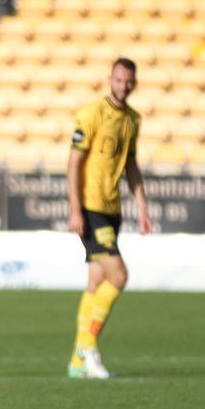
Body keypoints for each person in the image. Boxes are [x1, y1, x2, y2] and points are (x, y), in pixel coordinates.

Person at [64, 58, 152, 379]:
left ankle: (77, 363)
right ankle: (88, 348)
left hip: (113, 210)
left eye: (128, 81)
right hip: (91, 208)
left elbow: (131, 166)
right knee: (119, 275)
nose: (123, 86)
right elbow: (73, 164)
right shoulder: (91, 114)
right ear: (110, 79)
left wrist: (142, 207)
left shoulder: (133, 120)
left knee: (96, 283)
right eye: (118, 80)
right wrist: (76, 209)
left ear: (134, 83)